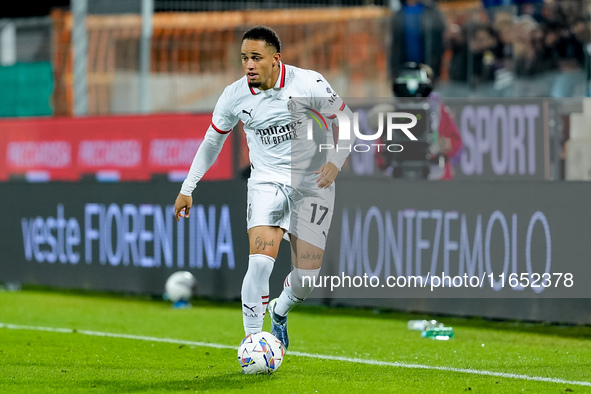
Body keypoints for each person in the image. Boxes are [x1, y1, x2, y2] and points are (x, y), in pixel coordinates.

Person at [173, 26, 352, 351]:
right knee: (259, 263)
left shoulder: (307, 82)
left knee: (307, 279)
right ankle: (253, 341)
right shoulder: (234, 95)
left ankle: (280, 310)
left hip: (312, 184)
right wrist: (189, 186)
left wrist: (335, 161)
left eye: (256, 57)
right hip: (266, 183)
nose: (249, 65)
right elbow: (213, 140)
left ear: (275, 59)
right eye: (244, 58)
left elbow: (346, 118)